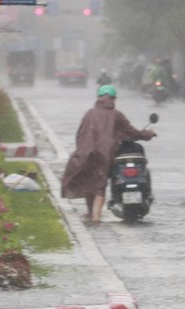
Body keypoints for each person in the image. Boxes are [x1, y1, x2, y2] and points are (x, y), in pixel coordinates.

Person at [60, 85, 157, 226]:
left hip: (86, 153)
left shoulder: (89, 114)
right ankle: (96, 217)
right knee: (100, 185)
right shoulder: (117, 115)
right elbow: (133, 133)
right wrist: (149, 133)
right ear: (113, 99)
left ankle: (90, 213)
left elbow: (80, 134)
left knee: (89, 181)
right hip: (106, 155)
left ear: (99, 98)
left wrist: (82, 150)